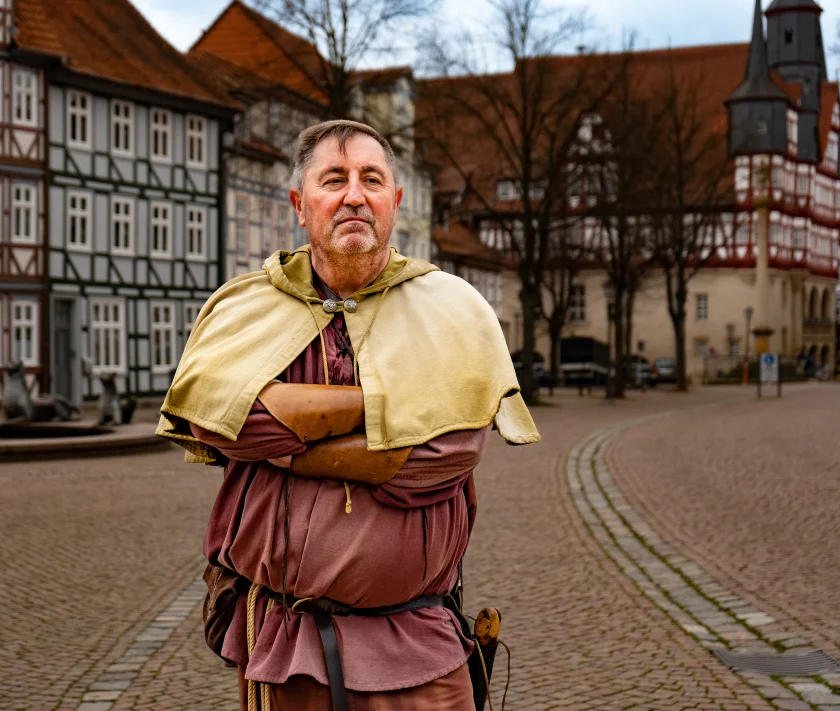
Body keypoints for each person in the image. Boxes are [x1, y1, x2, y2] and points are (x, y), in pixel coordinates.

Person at [157, 119, 540, 710]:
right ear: (299, 204)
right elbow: (223, 423)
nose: (354, 196)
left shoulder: (454, 308)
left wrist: (288, 444)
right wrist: (390, 409)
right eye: (334, 180)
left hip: (420, 647)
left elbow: (447, 452)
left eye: (372, 179)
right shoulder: (243, 307)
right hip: (287, 645)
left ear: (396, 201)